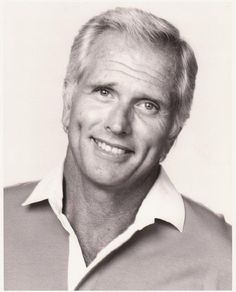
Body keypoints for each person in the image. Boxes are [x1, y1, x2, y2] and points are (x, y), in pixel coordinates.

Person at [4, 7, 231, 290]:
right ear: (68, 101)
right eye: (104, 92)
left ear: (174, 129)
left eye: (148, 105)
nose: (118, 124)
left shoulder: (225, 262)